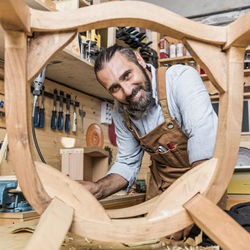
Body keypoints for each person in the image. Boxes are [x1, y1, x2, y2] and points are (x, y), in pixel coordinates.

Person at [79, 44, 218, 239]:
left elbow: (203, 143)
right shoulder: (121, 111)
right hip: (162, 188)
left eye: (127, 75)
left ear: (139, 59)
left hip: (203, 182)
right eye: (115, 88)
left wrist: (191, 201)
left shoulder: (180, 79)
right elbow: (126, 163)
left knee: (209, 240)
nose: (127, 91)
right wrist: (98, 189)